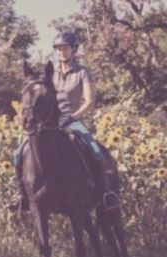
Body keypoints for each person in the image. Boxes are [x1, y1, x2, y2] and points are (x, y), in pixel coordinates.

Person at [9, 31, 121, 211]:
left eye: (65, 48)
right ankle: (20, 194)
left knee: (94, 149)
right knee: (17, 153)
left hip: (72, 119)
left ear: (73, 50)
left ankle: (106, 193)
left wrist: (73, 117)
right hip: (47, 121)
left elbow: (90, 101)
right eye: (58, 49)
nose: (61, 52)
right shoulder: (50, 74)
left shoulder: (83, 73)